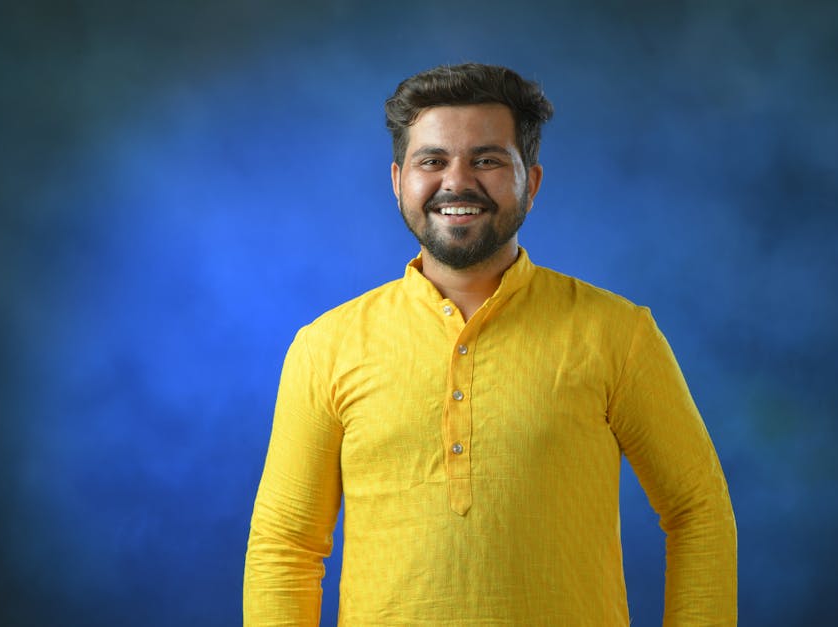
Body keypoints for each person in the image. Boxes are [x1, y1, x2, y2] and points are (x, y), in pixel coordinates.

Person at [243, 63, 737, 626]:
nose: (457, 182)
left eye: (487, 160)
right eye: (433, 161)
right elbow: (286, 547)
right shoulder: (326, 347)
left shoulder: (616, 334)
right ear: (398, 180)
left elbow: (699, 510)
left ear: (533, 181)